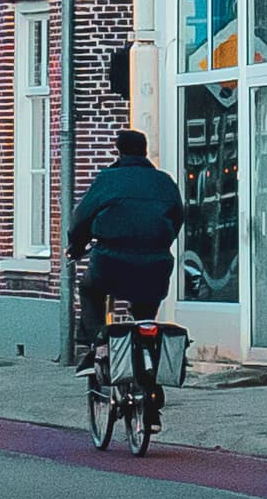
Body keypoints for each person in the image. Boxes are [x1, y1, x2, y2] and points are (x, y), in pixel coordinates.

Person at [65, 130, 186, 364]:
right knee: (145, 308)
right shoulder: (165, 181)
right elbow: (177, 218)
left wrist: (76, 247)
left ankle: (98, 345)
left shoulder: (108, 179)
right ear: (145, 151)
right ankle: (148, 353)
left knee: (90, 290)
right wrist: (158, 242)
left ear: (118, 152)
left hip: (111, 264)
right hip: (156, 264)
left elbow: (81, 218)